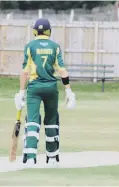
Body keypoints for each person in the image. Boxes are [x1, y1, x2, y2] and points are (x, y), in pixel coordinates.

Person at [14, 18, 76, 165]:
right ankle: (53, 157)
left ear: (35, 31)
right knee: (52, 121)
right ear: (49, 31)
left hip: (34, 88)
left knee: (33, 121)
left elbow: (24, 72)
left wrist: (21, 92)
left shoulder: (30, 46)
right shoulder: (55, 47)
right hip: (51, 88)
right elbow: (62, 70)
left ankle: (30, 157)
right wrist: (69, 91)